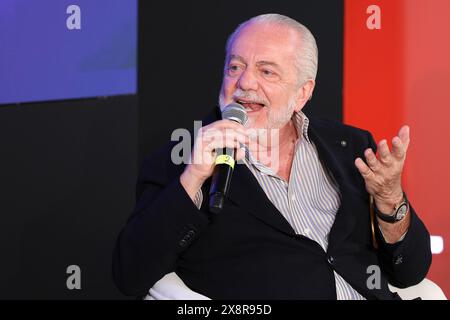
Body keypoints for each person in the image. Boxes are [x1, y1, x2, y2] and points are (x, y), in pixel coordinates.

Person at [112, 14, 431, 299]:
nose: (245, 83)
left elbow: (411, 272)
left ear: (303, 92)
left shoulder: (350, 145)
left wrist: (390, 198)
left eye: (267, 71)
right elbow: (130, 276)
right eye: (235, 67)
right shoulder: (178, 160)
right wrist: (193, 178)